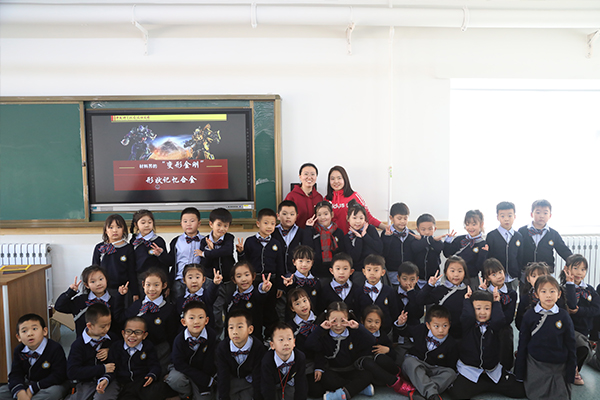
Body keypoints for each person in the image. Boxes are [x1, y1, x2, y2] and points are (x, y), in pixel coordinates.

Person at [448, 289, 525, 399]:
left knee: (519, 391)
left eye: (487, 308)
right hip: (470, 369)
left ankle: (486, 384)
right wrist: (467, 300)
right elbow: (468, 316)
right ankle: (485, 385)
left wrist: (496, 302)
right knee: (457, 394)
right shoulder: (468, 324)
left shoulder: (494, 326)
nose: (483, 312)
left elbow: (499, 320)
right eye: (478, 308)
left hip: (492, 370)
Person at [515, 275, 576, 400]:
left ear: (559, 294)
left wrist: (571, 372)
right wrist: (519, 373)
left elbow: (571, 344)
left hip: (559, 364)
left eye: (552, 291)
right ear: (536, 294)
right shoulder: (529, 315)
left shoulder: (564, 316)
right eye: (543, 291)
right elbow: (523, 344)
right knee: (535, 395)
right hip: (536, 363)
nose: (548, 295)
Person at [305, 302, 376, 400]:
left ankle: (342, 393)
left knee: (368, 375)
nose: (338, 325)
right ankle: (357, 388)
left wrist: (359, 327)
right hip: (332, 371)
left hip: (351, 369)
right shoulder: (323, 334)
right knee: (324, 381)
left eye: (342, 321)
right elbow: (309, 345)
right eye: (334, 321)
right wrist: (320, 329)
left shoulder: (353, 332)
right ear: (327, 319)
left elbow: (371, 341)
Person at [102, 317, 175, 400]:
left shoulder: (148, 346)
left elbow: (154, 365)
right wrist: (106, 378)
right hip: (125, 385)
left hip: (143, 382)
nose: (132, 335)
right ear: (123, 333)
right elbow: (111, 368)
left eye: (138, 332)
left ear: (144, 335)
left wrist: (152, 375)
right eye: (128, 331)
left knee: (156, 391)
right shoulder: (116, 347)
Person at [395, 305, 458, 400]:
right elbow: (405, 331)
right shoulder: (421, 329)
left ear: (450, 324)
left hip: (434, 370)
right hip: (416, 366)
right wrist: (401, 324)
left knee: (451, 373)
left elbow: (450, 365)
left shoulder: (451, 343)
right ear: (428, 325)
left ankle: (420, 391)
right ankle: (432, 394)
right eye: (436, 326)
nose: (441, 330)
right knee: (409, 361)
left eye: (445, 326)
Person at [237, 208, 285, 330]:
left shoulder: (276, 243)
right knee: (255, 308)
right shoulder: (250, 241)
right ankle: (256, 334)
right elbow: (244, 263)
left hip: (271, 281)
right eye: (266, 223)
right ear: (258, 223)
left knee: (270, 309)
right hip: (254, 281)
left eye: (273, 223)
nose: (269, 226)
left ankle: (270, 335)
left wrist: (280, 286)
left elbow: (280, 265)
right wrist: (241, 252)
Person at [0, 314, 68, 400]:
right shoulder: (19, 350)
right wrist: (20, 391)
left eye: (34, 329)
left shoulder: (54, 348)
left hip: (51, 385)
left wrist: (32, 389)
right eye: (24, 331)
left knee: (53, 393)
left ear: (44, 331)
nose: (30, 334)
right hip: (28, 383)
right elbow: (15, 374)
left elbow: (59, 375)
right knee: (2, 392)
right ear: (19, 337)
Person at [124, 268, 177, 375]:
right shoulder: (137, 305)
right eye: (148, 285)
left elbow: (172, 336)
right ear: (143, 285)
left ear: (164, 285)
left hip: (160, 352)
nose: (152, 289)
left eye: (156, 285)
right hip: (137, 350)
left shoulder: (169, 309)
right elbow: (123, 321)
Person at [54, 264, 126, 337]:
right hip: (84, 342)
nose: (98, 284)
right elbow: (59, 307)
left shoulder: (114, 301)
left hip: (108, 342)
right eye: (93, 281)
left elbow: (119, 323)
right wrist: (70, 292)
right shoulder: (80, 301)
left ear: (106, 280)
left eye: (101, 279)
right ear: (87, 285)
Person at [166, 301, 218, 400]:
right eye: (191, 318)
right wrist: (200, 378)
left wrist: (205, 382)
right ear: (183, 322)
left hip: (204, 371)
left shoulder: (211, 336)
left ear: (206, 320)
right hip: (183, 370)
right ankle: (186, 395)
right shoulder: (179, 339)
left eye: (200, 317)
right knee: (175, 379)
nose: (196, 321)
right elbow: (178, 363)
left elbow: (210, 361)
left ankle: (197, 392)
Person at [561, 254, 600, 385]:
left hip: (584, 329)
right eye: (576, 268)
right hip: (568, 329)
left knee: (583, 351)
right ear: (567, 269)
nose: (579, 272)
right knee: (575, 348)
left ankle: (575, 368)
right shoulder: (563, 289)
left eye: (583, 269)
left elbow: (597, 309)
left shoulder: (589, 290)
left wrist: (580, 311)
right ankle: (572, 370)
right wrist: (570, 283)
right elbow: (572, 304)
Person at [66, 303, 118, 400]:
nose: (107, 328)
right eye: (103, 326)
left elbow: (117, 364)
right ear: (89, 326)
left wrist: (110, 351)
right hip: (86, 382)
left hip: (108, 380)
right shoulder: (78, 345)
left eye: (109, 324)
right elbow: (72, 372)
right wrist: (102, 369)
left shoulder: (112, 339)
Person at [216, 309, 266, 400]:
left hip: (249, 382)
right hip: (230, 380)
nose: (235, 332)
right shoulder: (222, 348)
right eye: (231, 328)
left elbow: (258, 376)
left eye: (240, 327)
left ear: (250, 329)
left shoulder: (258, 347)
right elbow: (223, 375)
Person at [359, 306, 411, 395]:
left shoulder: (382, 335)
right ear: (362, 321)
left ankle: (398, 374)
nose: (373, 325)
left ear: (381, 323)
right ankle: (395, 382)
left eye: (377, 322)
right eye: (369, 321)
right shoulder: (358, 335)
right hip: (368, 369)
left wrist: (388, 350)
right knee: (367, 362)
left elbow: (393, 355)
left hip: (385, 370)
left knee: (380, 358)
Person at [417, 256, 469, 339]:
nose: (456, 274)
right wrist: (429, 285)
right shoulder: (440, 290)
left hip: (461, 333)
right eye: (452, 271)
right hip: (442, 333)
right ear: (445, 272)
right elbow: (420, 300)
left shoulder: (468, 291)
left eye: (460, 271)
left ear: (464, 273)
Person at [480, 258, 518, 371]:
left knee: (506, 336)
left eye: (500, 272)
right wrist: (482, 293)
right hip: (488, 327)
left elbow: (508, 318)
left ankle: (506, 369)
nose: (499, 276)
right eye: (494, 274)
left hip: (504, 328)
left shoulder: (511, 293)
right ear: (487, 278)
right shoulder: (485, 293)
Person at [92, 214, 139, 302]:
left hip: (123, 290)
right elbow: (94, 270)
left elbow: (132, 272)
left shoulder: (128, 248)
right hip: (103, 290)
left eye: (118, 227)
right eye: (111, 227)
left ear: (124, 230)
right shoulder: (100, 248)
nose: (115, 230)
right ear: (105, 230)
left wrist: (135, 292)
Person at [517, 199, 572, 273]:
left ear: (550, 216)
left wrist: (575, 262)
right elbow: (516, 251)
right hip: (526, 272)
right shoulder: (522, 231)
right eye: (538, 212)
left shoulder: (553, 234)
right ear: (531, 214)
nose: (542, 216)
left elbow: (564, 250)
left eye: (545, 213)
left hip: (546, 272)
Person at [325, 166, 384, 234]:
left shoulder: (354, 196)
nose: (336, 181)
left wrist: (385, 227)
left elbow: (368, 217)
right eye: (332, 179)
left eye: (339, 178)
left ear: (345, 179)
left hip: (352, 237)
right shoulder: (326, 199)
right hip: (333, 238)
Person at [286, 288, 322, 398]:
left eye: (304, 301)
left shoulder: (319, 321)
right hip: (300, 364)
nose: (303, 305)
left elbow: (322, 347)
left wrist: (319, 367)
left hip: (317, 361)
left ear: (309, 301)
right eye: (297, 303)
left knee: (318, 390)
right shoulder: (290, 326)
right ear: (292, 308)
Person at [225, 261, 273, 340]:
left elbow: (260, 296)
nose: (244, 279)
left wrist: (263, 290)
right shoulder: (232, 297)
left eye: (247, 275)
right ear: (234, 280)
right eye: (239, 276)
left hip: (255, 339)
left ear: (253, 276)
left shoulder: (256, 295)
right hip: (234, 340)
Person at [261, 322, 308, 400]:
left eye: (289, 339)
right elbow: (267, 387)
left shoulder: (300, 357)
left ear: (294, 342)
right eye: (281, 340)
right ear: (272, 345)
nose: (286, 343)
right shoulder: (267, 360)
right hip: (272, 384)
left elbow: (301, 383)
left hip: (289, 383)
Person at [443, 210, 488, 290]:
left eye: (474, 224)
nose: (470, 228)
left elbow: (479, 267)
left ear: (481, 224)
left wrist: (483, 254)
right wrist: (447, 242)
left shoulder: (483, 244)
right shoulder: (459, 239)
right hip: (455, 277)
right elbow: (447, 254)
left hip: (471, 279)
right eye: (467, 224)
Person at [485, 202, 523, 289]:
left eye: (510, 216)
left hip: (513, 277)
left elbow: (520, 257)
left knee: (512, 295)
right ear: (497, 217)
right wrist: (487, 277)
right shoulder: (492, 236)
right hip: (496, 278)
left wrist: (519, 276)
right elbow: (488, 258)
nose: (506, 219)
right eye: (502, 216)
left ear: (514, 216)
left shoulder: (518, 236)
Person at [356, 254, 397, 335]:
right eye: (369, 270)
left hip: (386, 333)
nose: (372, 273)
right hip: (363, 333)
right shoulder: (358, 291)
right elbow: (357, 312)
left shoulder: (389, 291)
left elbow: (394, 313)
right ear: (364, 272)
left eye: (376, 270)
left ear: (383, 272)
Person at [129, 209, 170, 290]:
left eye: (150, 222)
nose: (147, 225)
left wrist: (161, 254)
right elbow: (131, 265)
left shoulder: (158, 241)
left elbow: (166, 264)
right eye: (143, 223)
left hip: (157, 279)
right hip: (139, 279)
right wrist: (134, 290)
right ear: (136, 224)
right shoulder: (134, 241)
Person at [168, 207, 204, 300]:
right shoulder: (176, 241)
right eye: (185, 221)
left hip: (198, 281)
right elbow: (171, 261)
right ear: (181, 224)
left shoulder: (205, 241)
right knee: (178, 304)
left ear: (199, 223)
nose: (188, 224)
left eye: (192, 221)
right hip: (180, 280)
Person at [175, 264, 223, 331]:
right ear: (184, 280)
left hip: (206, 333)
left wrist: (215, 284)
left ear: (203, 279)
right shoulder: (180, 300)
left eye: (197, 277)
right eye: (190, 278)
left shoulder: (206, 296)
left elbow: (212, 292)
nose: (194, 281)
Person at [303, 201, 345, 279]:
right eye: (319, 215)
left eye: (326, 214)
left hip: (335, 272)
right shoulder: (313, 231)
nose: (323, 217)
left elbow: (342, 251)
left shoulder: (338, 232)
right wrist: (308, 228)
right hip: (317, 271)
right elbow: (307, 248)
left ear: (332, 214)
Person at [409, 213, 448, 289]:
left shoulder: (437, 242)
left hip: (434, 278)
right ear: (418, 230)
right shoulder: (415, 242)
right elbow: (416, 247)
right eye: (423, 229)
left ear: (435, 229)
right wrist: (429, 239)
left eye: (430, 229)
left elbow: (440, 247)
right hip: (418, 279)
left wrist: (429, 240)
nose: (427, 232)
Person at [343, 200, 383, 272]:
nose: (358, 221)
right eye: (354, 218)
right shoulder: (347, 237)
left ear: (365, 219)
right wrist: (359, 238)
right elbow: (354, 258)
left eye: (361, 218)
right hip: (358, 270)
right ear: (348, 218)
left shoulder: (370, 229)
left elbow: (379, 249)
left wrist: (365, 235)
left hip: (374, 269)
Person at [381, 202, 415, 285]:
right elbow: (383, 252)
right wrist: (388, 238)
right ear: (391, 218)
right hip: (391, 272)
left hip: (408, 272)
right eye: (399, 218)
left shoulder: (411, 234)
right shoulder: (385, 233)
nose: (402, 221)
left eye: (405, 218)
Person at [282, 246, 322, 316]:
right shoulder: (291, 279)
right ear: (294, 262)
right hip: (293, 318)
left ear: (312, 263)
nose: (304, 264)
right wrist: (287, 283)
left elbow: (319, 303)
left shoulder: (316, 281)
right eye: (300, 261)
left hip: (312, 318)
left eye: (308, 261)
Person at [199, 207, 235, 282]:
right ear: (211, 224)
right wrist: (209, 250)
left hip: (227, 278)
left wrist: (206, 253)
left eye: (225, 226)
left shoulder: (229, 238)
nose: (222, 229)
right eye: (219, 225)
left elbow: (227, 251)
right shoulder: (204, 241)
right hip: (210, 279)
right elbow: (205, 264)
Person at [273, 200, 307, 276]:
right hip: (276, 276)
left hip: (297, 276)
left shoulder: (302, 233)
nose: (288, 217)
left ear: (296, 216)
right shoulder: (272, 233)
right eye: (284, 214)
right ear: (278, 216)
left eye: (292, 214)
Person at [284, 163, 323, 228]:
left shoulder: (319, 197)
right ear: (300, 176)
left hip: (315, 233)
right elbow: (285, 218)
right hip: (296, 233)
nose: (309, 177)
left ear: (316, 177)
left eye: (312, 174)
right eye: (306, 174)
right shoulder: (291, 196)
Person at [516, 262, 550, 330]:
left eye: (541, 275)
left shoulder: (554, 296)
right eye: (534, 276)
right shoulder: (525, 297)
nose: (538, 279)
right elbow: (519, 321)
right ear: (528, 279)